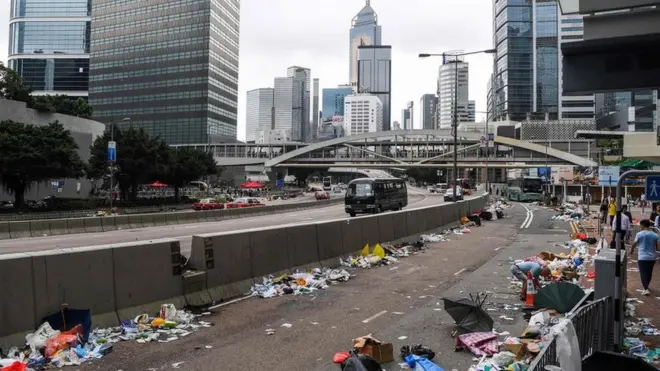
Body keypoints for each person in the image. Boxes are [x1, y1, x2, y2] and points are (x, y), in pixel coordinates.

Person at [630, 219, 660, 296]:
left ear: (643, 225)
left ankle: (645, 288)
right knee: (649, 273)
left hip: (642, 257)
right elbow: (658, 248)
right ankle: (646, 287)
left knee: (643, 273)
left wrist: (632, 250)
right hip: (652, 257)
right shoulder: (655, 235)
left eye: (640, 225)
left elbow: (634, 243)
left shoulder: (639, 234)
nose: (640, 226)